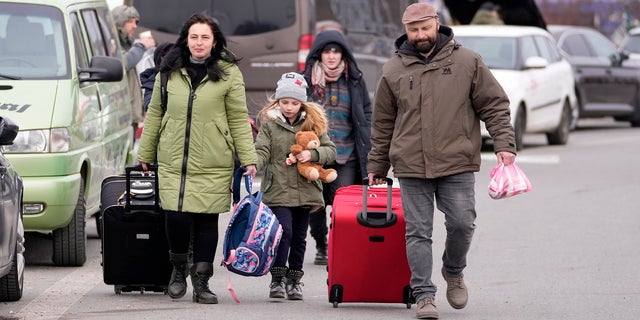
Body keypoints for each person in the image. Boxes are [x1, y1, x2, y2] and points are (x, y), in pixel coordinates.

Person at [366, 3, 517, 319]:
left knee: (462, 222)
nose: (420, 35)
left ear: (437, 23)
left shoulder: (467, 61)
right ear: (406, 30)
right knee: (418, 232)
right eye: (413, 30)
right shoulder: (393, 69)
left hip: (457, 160)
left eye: (425, 28)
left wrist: (504, 144)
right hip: (410, 163)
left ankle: (453, 269)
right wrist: (377, 166)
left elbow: (494, 105)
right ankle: (423, 295)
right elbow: (382, 122)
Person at [137, 13, 258, 304]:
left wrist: (248, 156)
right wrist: (146, 150)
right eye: (194, 36)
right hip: (173, 158)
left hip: (213, 158)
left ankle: (202, 282)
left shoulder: (228, 73)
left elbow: (239, 118)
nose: (199, 42)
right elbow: (155, 112)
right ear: (186, 39)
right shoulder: (169, 68)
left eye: (205, 37)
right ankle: (178, 269)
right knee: (176, 217)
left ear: (214, 41)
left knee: (205, 221)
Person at [254, 72, 336, 300]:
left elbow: (330, 150)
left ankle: (294, 281)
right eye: (284, 102)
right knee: (284, 233)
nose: (289, 107)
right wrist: (253, 164)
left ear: (302, 103)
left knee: (299, 237)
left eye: (294, 103)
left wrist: (313, 153)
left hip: (306, 189)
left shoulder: (313, 123)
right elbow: (262, 149)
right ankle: (277, 279)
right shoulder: (270, 123)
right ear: (277, 101)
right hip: (277, 189)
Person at [301, 29, 372, 265]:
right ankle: (321, 244)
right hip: (316, 154)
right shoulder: (307, 80)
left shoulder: (355, 80)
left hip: (347, 153)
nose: (331, 56)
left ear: (343, 55)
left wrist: (369, 139)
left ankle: (339, 243)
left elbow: (366, 112)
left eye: (336, 51)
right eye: (327, 51)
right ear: (318, 55)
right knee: (316, 204)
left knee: (343, 205)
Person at [111, 4, 156, 143]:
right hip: (119, 113)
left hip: (130, 113)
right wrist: (141, 46)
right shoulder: (112, 44)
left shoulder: (130, 44)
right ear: (119, 22)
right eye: (130, 21)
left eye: (136, 22)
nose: (135, 26)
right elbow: (124, 63)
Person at [139, 41, 174, 112]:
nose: (170, 61)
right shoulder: (152, 81)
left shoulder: (186, 77)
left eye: (173, 56)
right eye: (165, 57)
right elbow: (150, 108)